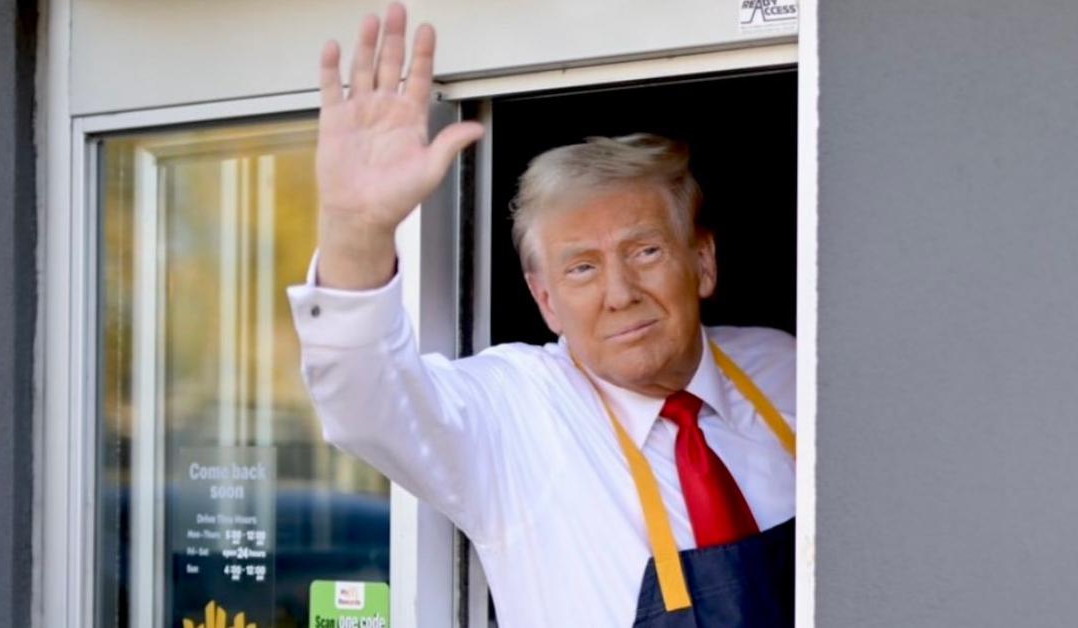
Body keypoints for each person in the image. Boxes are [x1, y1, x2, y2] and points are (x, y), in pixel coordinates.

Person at [286, 3, 796, 626]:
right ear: (544, 300)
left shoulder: (786, 368)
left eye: (646, 251)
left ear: (703, 262)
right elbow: (367, 401)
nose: (619, 292)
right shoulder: (515, 413)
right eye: (581, 267)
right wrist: (357, 232)